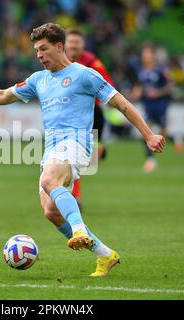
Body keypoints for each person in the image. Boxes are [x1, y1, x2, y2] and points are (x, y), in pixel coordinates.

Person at [0, 23, 165, 276]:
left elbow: (122, 104)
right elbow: (3, 96)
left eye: (44, 49)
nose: (39, 55)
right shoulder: (39, 80)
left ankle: (79, 229)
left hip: (78, 143)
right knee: (50, 211)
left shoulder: (85, 75)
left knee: (49, 179)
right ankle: (105, 255)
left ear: (60, 46)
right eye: (36, 50)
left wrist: (148, 135)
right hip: (53, 149)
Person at [65, 28, 115, 209]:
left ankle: (98, 149)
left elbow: (108, 86)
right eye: (70, 43)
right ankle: (73, 196)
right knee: (70, 157)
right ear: (64, 44)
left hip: (92, 114)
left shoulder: (93, 62)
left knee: (90, 159)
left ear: (82, 45)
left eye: (76, 43)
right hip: (68, 116)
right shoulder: (58, 61)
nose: (73, 46)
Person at [131, 43, 183, 173]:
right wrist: (134, 94)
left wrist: (158, 92)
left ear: (153, 56)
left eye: (147, 53)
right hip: (148, 105)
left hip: (161, 104)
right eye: (143, 54)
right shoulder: (141, 71)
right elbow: (139, 86)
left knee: (162, 134)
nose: (145, 56)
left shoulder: (161, 70)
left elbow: (171, 85)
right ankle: (150, 160)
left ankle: (174, 138)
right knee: (146, 133)